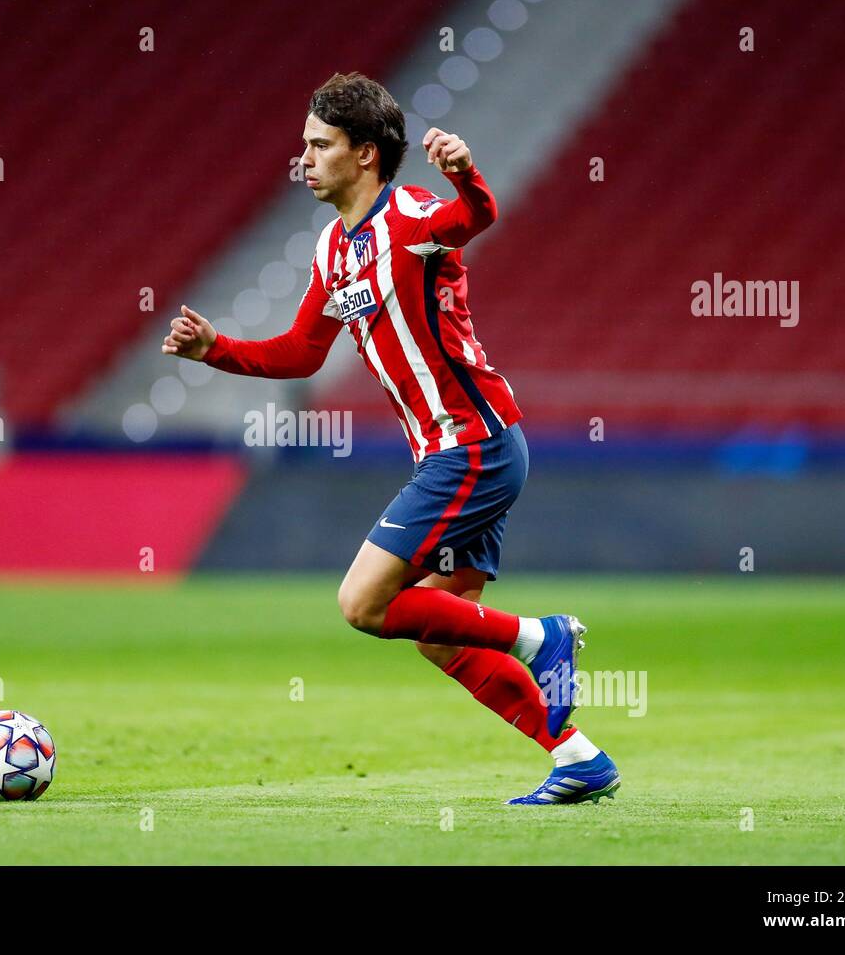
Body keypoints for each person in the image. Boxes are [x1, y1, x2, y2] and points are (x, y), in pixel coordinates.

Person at [162, 72, 619, 805]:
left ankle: (543, 639)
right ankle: (578, 758)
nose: (303, 159)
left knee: (363, 603)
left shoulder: (411, 219)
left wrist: (467, 177)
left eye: (320, 145)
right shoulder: (333, 250)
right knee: (443, 634)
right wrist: (216, 348)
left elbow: (476, 219)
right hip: (462, 451)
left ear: (366, 154)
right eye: (304, 144)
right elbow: (302, 354)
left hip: (474, 445)